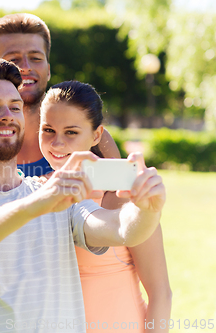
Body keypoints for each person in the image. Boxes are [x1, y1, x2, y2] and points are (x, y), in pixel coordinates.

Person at [0, 58, 166, 333]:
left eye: (15, 107)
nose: (7, 115)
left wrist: (146, 209)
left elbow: (120, 229)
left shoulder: (55, 195)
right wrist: (34, 205)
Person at [40, 80, 172, 332]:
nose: (57, 143)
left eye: (71, 132)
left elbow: (161, 293)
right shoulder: (33, 191)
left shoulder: (123, 195)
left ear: (96, 135)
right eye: (48, 130)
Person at [0, 13, 121, 176]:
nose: (26, 67)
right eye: (13, 60)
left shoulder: (88, 134)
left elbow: (120, 201)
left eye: (36, 58)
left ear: (48, 69)